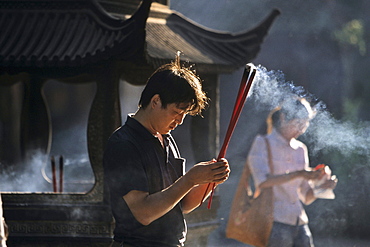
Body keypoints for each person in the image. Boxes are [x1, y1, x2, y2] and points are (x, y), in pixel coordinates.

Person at [103, 52, 230, 247]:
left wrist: (208, 180)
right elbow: (144, 213)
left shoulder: (166, 140)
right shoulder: (124, 143)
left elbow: (182, 205)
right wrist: (190, 179)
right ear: (155, 102)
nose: (179, 121)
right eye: (176, 112)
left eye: (184, 114)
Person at [247, 97, 338, 247]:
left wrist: (323, 187)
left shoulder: (301, 149)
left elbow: (306, 196)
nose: (302, 129)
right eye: (298, 123)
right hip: (274, 221)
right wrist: (299, 174)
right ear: (283, 118)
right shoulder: (263, 143)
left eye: (305, 124)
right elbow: (262, 182)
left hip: (299, 222)